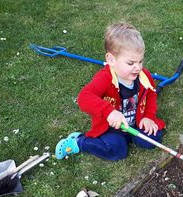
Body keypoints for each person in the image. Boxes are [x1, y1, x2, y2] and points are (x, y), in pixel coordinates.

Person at [55, 22, 165, 161]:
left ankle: (133, 136)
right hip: (111, 128)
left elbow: (150, 95)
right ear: (111, 59)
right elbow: (84, 97)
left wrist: (148, 116)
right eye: (130, 63)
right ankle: (78, 142)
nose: (137, 68)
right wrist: (109, 111)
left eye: (140, 61)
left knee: (152, 139)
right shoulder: (105, 78)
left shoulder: (144, 76)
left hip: (136, 123)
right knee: (117, 151)